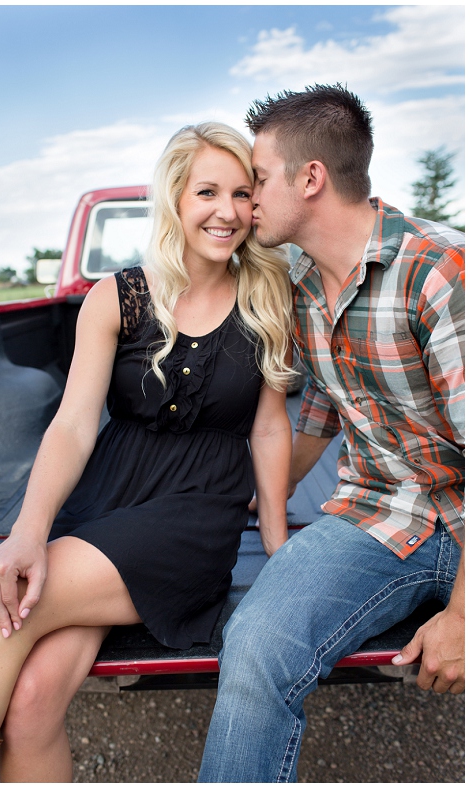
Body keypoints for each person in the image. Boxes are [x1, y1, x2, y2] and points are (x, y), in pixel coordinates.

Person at [0, 122, 297, 783]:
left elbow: (271, 427)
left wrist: (278, 547)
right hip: (105, 501)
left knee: (9, 607)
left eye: (242, 193)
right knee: (31, 702)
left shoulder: (267, 296)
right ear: (173, 199)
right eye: (207, 191)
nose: (227, 211)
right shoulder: (118, 298)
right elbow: (73, 426)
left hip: (194, 515)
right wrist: (29, 530)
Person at [198, 84, 464, 782]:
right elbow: (322, 410)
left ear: (310, 178)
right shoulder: (302, 285)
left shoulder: (438, 274)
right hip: (381, 514)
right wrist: (260, 496)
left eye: (257, 180)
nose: (247, 202)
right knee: (253, 645)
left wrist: (463, 614)